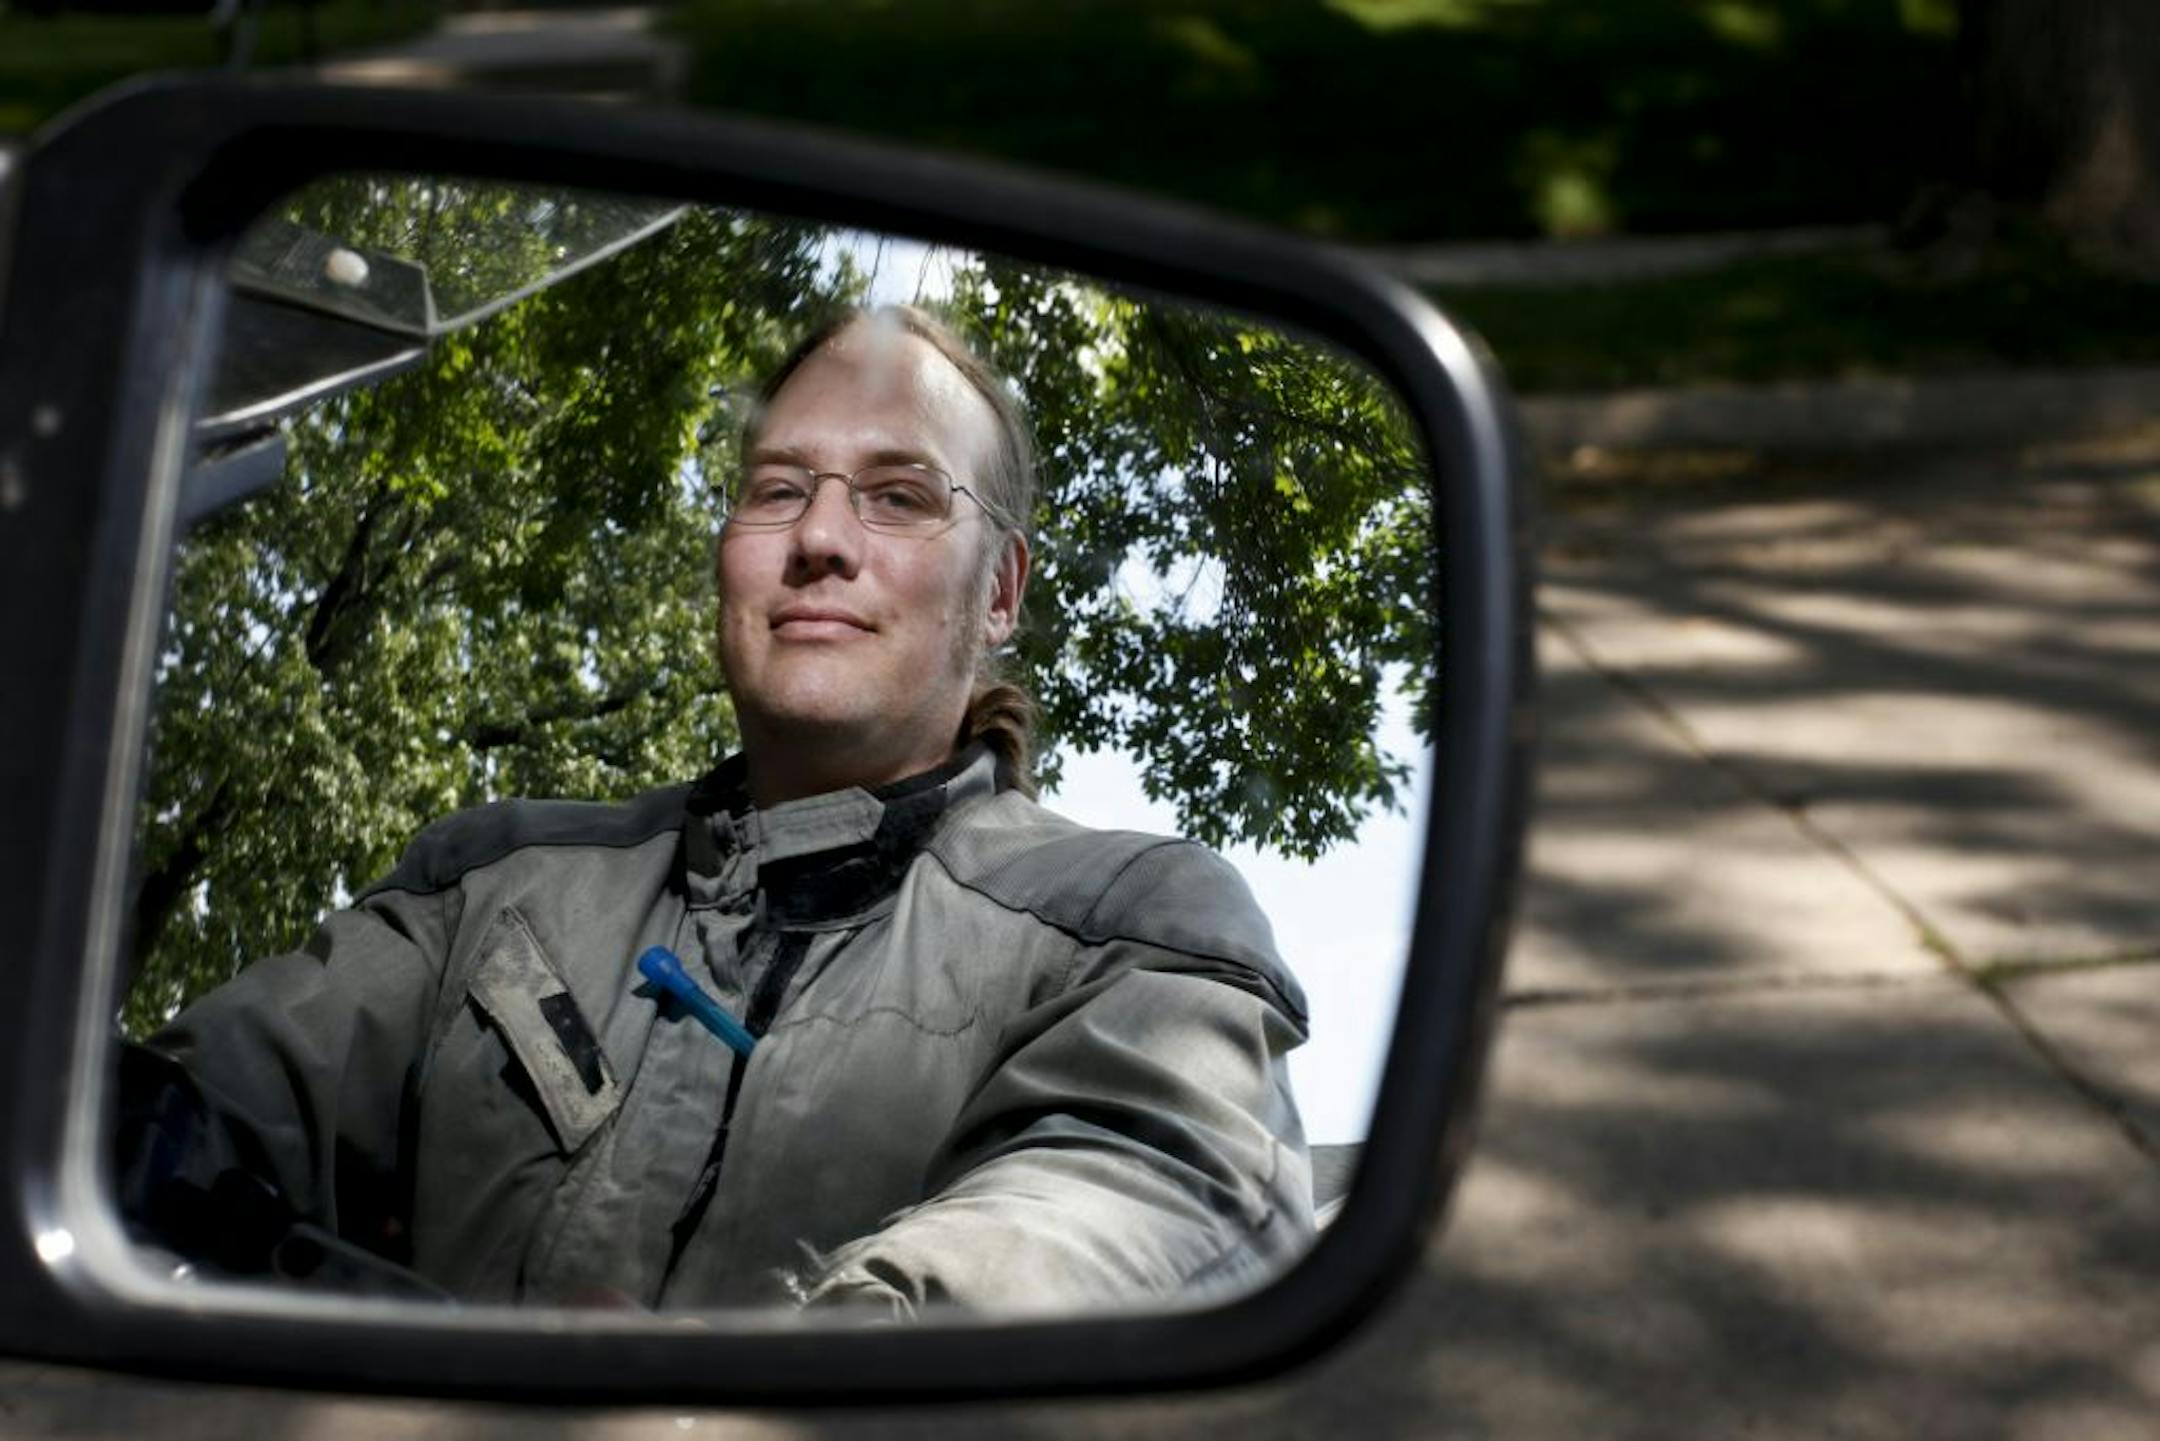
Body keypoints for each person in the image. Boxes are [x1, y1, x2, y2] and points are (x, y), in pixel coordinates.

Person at [117, 305, 1313, 1317]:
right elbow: (184, 1116)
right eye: (777, 488)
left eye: (898, 496)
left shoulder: (1136, 935)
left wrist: (824, 1378)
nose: (821, 539)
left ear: (999, 590)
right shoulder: (484, 886)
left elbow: (1136, 1196)